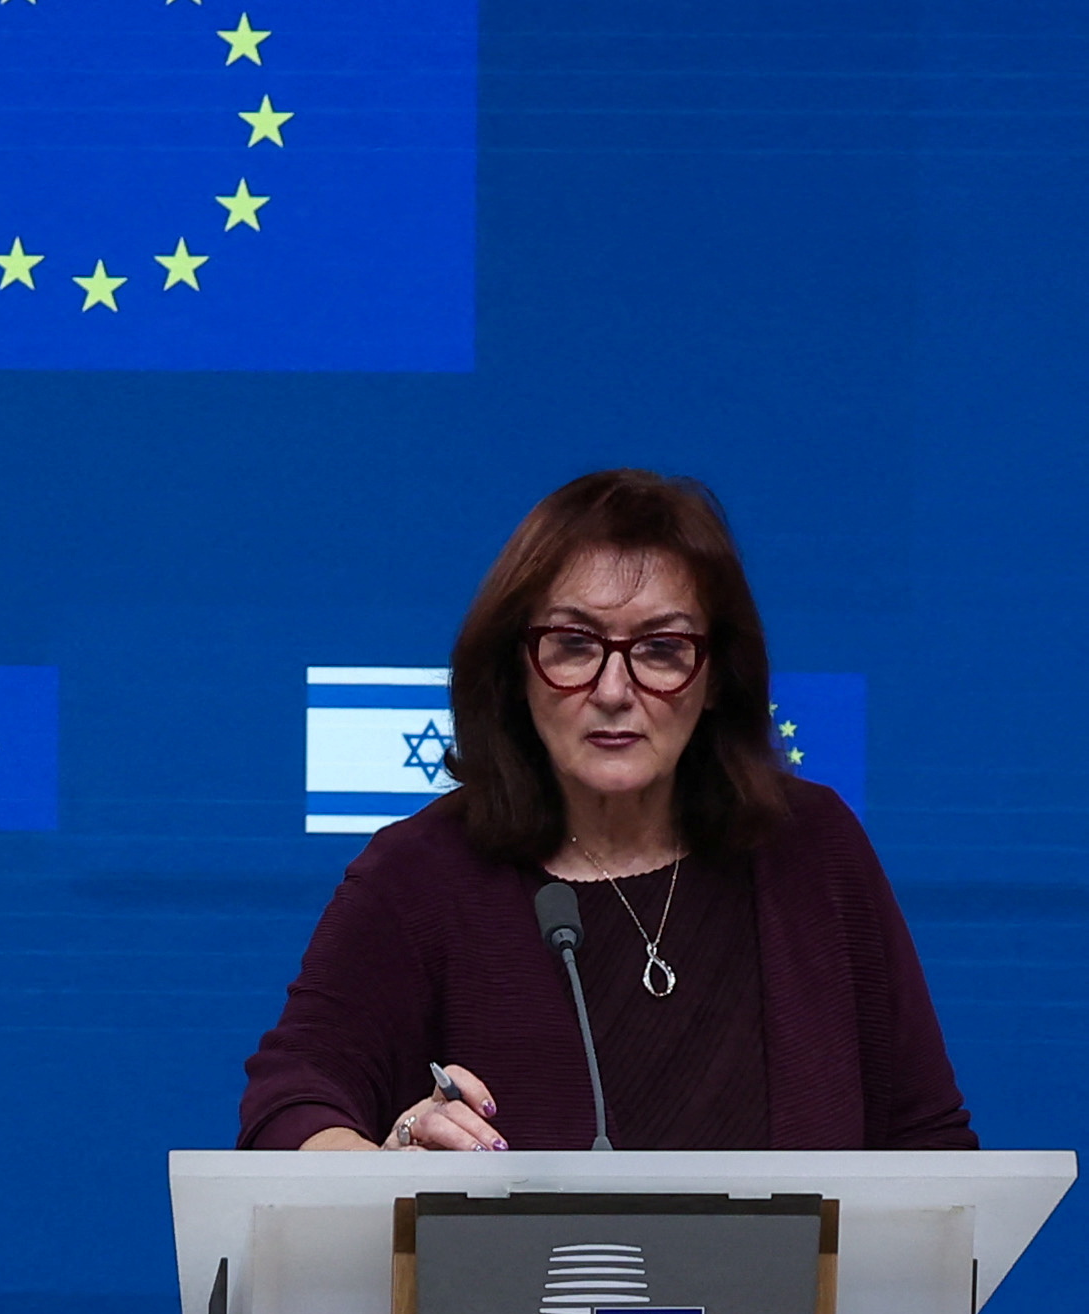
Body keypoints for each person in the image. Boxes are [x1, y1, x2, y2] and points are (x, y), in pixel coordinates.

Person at [240, 469, 969, 1155]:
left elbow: (929, 1140)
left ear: (715, 676)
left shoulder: (811, 850)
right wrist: (384, 1166)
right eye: (574, 644)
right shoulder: (421, 875)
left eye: (660, 648)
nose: (615, 689)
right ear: (516, 669)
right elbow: (291, 1104)